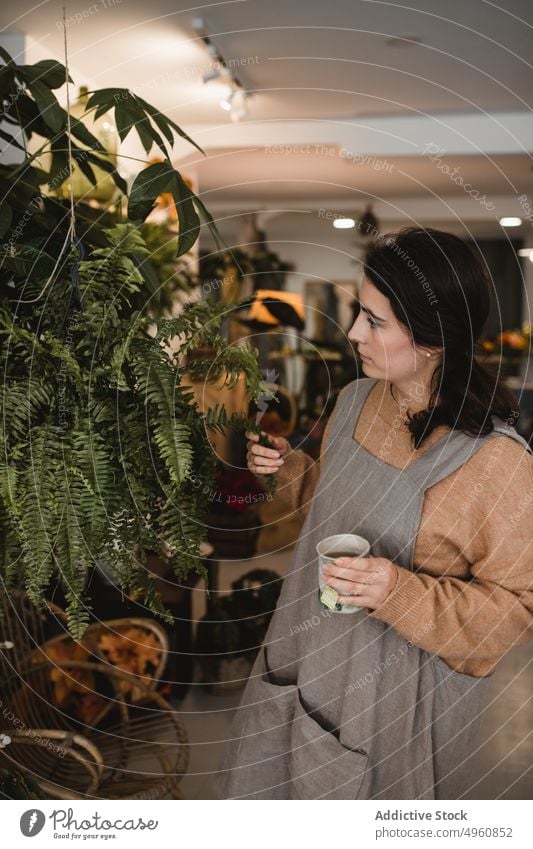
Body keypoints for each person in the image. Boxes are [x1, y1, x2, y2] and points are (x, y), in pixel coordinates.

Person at [216, 227, 533, 800]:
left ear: (433, 337)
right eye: (359, 311)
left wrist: (397, 592)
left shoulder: (497, 464)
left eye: (375, 321)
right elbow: (335, 509)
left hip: (396, 706)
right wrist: (287, 471)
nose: (354, 332)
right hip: (306, 654)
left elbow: (515, 614)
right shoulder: (354, 401)